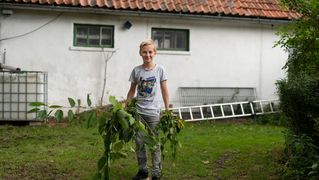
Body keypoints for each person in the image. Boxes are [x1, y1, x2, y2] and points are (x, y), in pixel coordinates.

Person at [126, 39, 169, 180]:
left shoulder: (160, 70)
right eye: (145, 52)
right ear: (140, 53)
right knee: (139, 142)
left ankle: (156, 172)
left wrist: (167, 108)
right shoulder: (136, 70)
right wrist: (127, 106)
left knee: (155, 143)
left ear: (155, 53)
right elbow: (132, 91)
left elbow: (164, 90)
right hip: (138, 112)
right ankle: (143, 171)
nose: (147, 55)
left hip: (154, 113)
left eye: (150, 52)